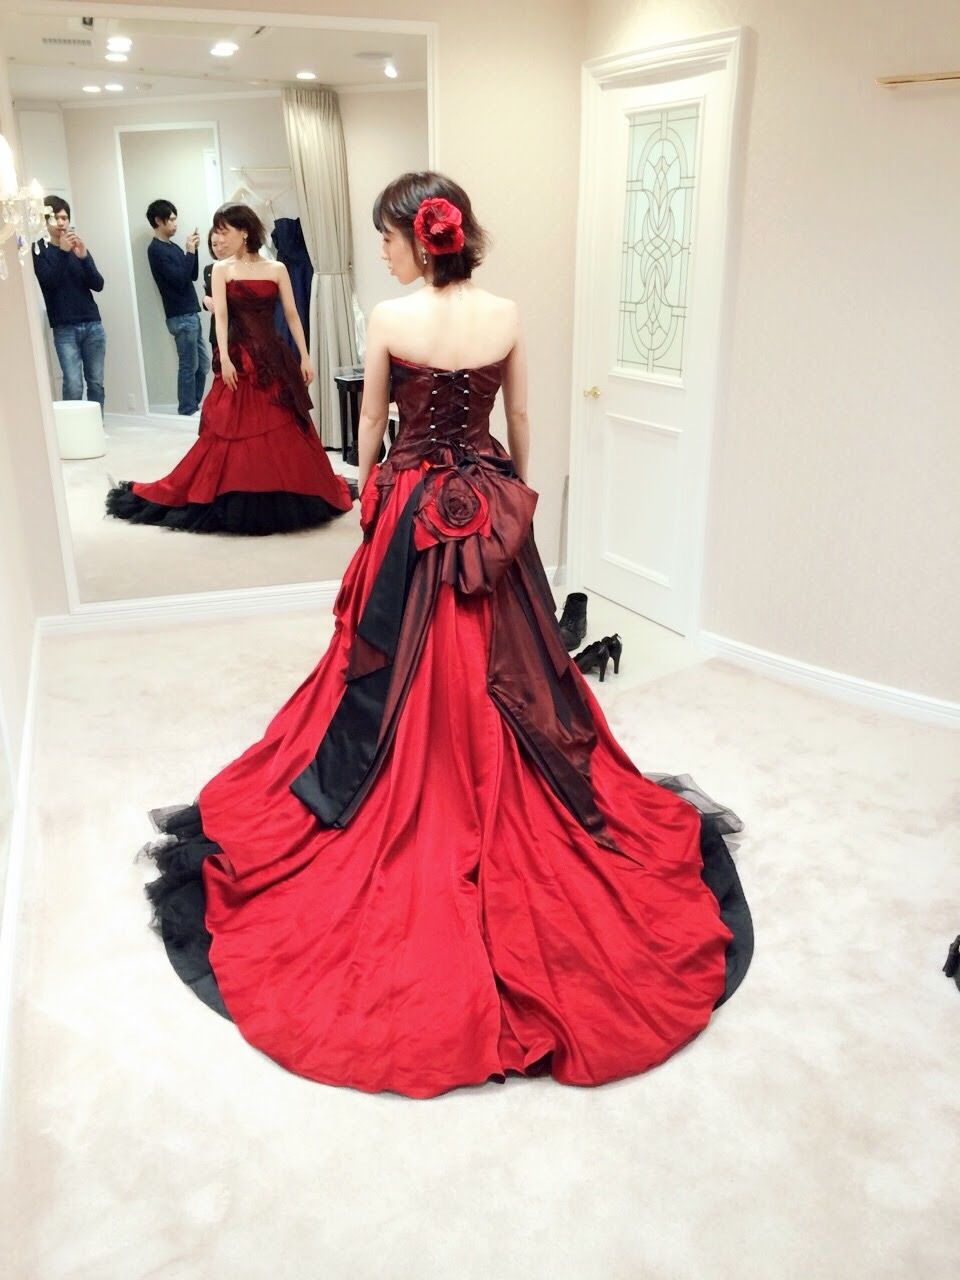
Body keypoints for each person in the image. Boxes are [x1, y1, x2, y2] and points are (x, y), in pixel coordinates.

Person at [140, 173, 752, 1097]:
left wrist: (370, 500)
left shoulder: (391, 319)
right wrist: (516, 504)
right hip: (490, 498)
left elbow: (370, 424)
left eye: (388, 238)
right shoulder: (505, 313)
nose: (383, 253)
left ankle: (410, 789)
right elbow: (522, 419)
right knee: (518, 660)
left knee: (386, 659)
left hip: (412, 505)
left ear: (418, 237)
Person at [106, 204, 353, 534]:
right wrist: (224, 356)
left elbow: (292, 315)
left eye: (224, 231)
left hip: (273, 356)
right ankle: (232, 492)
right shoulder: (222, 269)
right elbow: (221, 316)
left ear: (244, 232)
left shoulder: (276, 268)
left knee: (283, 426)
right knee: (230, 428)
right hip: (239, 357)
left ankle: (285, 490)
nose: (218, 238)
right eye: (217, 231)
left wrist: (306, 357)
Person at [33, 196, 106, 416]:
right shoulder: (39, 249)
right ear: (45, 220)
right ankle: (72, 430)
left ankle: (96, 426)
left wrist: (84, 258)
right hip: (64, 327)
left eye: (64, 217)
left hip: (93, 323)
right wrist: (64, 253)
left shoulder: (77, 247)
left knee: (96, 382)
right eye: (55, 217)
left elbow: (98, 284)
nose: (61, 222)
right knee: (73, 383)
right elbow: (49, 282)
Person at [146, 198, 210, 416]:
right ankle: (187, 409)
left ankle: (192, 405)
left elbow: (191, 275)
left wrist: (193, 251)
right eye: (171, 219)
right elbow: (179, 280)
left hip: (190, 313)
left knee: (203, 364)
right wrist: (189, 252)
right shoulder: (156, 250)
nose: (175, 224)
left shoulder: (172, 247)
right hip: (180, 316)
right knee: (189, 365)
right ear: (158, 220)